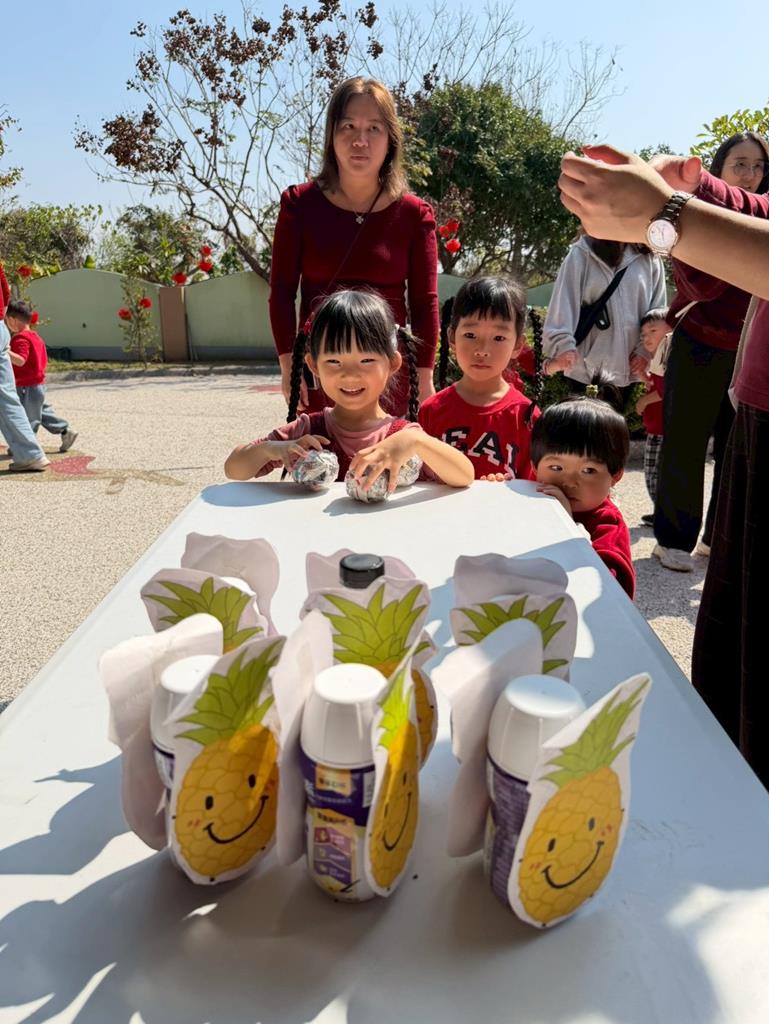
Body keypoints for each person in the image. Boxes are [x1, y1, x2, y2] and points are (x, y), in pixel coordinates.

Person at [557, 142, 769, 786]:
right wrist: (696, 193)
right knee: (729, 673)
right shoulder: (583, 255)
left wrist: (669, 215)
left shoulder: (656, 246)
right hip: (754, 400)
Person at [269, 76, 439, 418]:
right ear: (332, 134)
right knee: (320, 450)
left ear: (390, 139)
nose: (360, 140)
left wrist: (424, 376)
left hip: (388, 374)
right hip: (322, 370)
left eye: (374, 128)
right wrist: (290, 366)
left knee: (393, 453)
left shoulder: (414, 215)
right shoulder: (298, 205)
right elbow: (282, 293)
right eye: (348, 126)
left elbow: (424, 304)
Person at [652, 131, 769, 572]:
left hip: (745, 353)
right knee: (684, 442)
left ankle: (714, 539)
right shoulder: (697, 213)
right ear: (718, 168)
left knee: (734, 451)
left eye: (758, 166)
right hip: (699, 344)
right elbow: (700, 286)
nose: (750, 174)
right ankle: (673, 539)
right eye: (740, 164)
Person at [225, 289, 473, 491]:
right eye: (334, 361)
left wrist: (417, 442)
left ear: (392, 364)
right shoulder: (307, 430)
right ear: (314, 366)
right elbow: (234, 469)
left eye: (366, 360)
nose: (350, 374)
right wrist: (272, 449)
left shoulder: (403, 436)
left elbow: (464, 475)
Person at [418, 275, 542, 481]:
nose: (482, 350)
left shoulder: (527, 417)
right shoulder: (431, 410)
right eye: (470, 335)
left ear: (518, 345)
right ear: (452, 337)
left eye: (498, 338)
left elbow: (533, 489)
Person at [531, 385, 634, 599]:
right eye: (556, 467)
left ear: (615, 476)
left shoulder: (607, 525)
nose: (569, 482)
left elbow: (610, 590)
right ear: (534, 467)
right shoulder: (532, 499)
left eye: (588, 470)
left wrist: (566, 524)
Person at [542, 231, 666, 403]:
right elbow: (563, 304)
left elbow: (658, 310)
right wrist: (563, 346)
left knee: (615, 420)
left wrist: (644, 351)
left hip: (630, 366)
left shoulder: (650, 257)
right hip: (584, 369)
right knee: (584, 420)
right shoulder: (582, 252)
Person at [6, 299, 78, 451]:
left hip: (26, 386)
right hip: (37, 384)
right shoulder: (35, 337)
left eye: (7, 321)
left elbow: (20, 360)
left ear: (13, 320)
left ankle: (27, 449)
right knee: (42, 413)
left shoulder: (20, 338)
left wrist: (5, 351)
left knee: (28, 419)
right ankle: (65, 431)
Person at [0, 263, 49, 472]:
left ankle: (30, 454)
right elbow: (5, 289)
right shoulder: (32, 336)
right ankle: (29, 453)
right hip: (0, 326)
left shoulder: (22, 338)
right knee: (6, 397)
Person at [634, 308, 671, 525]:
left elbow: (666, 389)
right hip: (656, 427)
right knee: (653, 474)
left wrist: (644, 401)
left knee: (655, 474)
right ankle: (661, 512)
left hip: (662, 429)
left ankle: (664, 513)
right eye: (643, 335)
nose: (646, 337)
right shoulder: (658, 357)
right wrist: (644, 377)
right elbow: (657, 385)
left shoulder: (668, 354)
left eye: (653, 331)